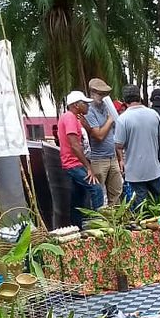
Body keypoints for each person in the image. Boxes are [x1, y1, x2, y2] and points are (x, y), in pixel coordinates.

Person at [114, 84, 160, 208]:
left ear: (125, 100)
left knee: (141, 207)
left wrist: (121, 160)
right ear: (140, 97)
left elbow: (119, 145)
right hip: (154, 168)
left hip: (134, 172)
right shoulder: (154, 114)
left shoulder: (123, 119)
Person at [57, 90, 103, 227]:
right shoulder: (70, 118)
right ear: (76, 105)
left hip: (73, 163)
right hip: (73, 164)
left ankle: (76, 227)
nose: (88, 106)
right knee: (96, 189)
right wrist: (88, 168)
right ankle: (100, 224)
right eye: (85, 104)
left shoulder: (71, 117)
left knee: (78, 197)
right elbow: (74, 145)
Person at [81, 78, 123, 206]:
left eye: (104, 94)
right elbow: (98, 135)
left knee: (116, 192)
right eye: (100, 93)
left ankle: (116, 221)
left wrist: (120, 158)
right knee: (98, 194)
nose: (103, 96)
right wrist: (110, 120)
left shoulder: (107, 107)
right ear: (92, 93)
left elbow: (116, 135)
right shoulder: (90, 110)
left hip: (112, 157)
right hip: (98, 159)